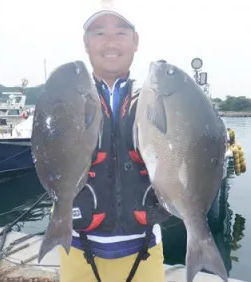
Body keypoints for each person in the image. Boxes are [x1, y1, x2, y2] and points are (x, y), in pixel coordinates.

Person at [55, 6, 171, 282]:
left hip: (145, 248)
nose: (110, 42)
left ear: (135, 41)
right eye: (99, 33)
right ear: (86, 43)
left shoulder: (156, 100)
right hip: (77, 248)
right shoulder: (66, 99)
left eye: (120, 33)